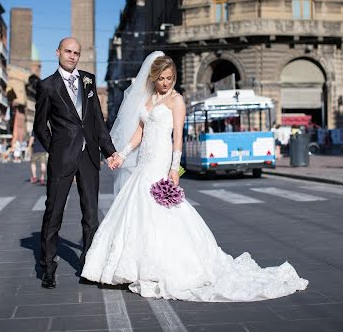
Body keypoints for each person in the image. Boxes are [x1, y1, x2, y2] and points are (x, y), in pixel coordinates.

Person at [81, 52, 308, 302]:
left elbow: (177, 137)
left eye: (170, 78)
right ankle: (130, 267)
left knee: (162, 211)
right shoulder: (149, 99)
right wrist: (121, 154)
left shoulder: (176, 101)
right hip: (144, 161)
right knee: (134, 209)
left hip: (161, 160)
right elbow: (140, 132)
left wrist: (174, 170)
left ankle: (163, 267)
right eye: (161, 78)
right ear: (154, 78)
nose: (166, 82)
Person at [33, 37, 119, 289]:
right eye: (68, 51)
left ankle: (89, 266)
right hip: (63, 155)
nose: (72, 56)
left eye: (76, 53)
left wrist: (109, 151)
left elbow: (97, 122)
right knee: (54, 212)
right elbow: (40, 126)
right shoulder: (48, 86)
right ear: (58, 52)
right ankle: (48, 267)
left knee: (91, 215)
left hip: (89, 155)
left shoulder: (88, 79)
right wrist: (55, 150)